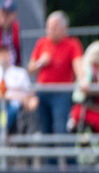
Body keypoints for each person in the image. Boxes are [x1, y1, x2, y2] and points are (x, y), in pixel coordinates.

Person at [27, 10, 83, 138]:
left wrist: (82, 79)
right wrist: (41, 62)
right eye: (49, 27)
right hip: (43, 92)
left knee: (61, 128)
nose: (50, 30)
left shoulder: (72, 44)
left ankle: (68, 158)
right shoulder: (42, 43)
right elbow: (31, 68)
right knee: (44, 129)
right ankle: (49, 158)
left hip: (61, 93)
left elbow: (78, 65)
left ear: (64, 28)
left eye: (54, 27)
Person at [0, 44, 36, 135]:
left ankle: (2, 133)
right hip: (3, 104)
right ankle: (3, 133)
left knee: (13, 108)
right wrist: (15, 95)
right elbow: (2, 94)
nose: (4, 57)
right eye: (1, 53)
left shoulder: (20, 72)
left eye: (6, 53)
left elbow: (29, 93)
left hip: (17, 106)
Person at [0, 0, 22, 66]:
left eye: (8, 14)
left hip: (12, 66)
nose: (5, 16)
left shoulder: (15, 27)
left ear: (14, 15)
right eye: (3, 13)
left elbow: (17, 49)